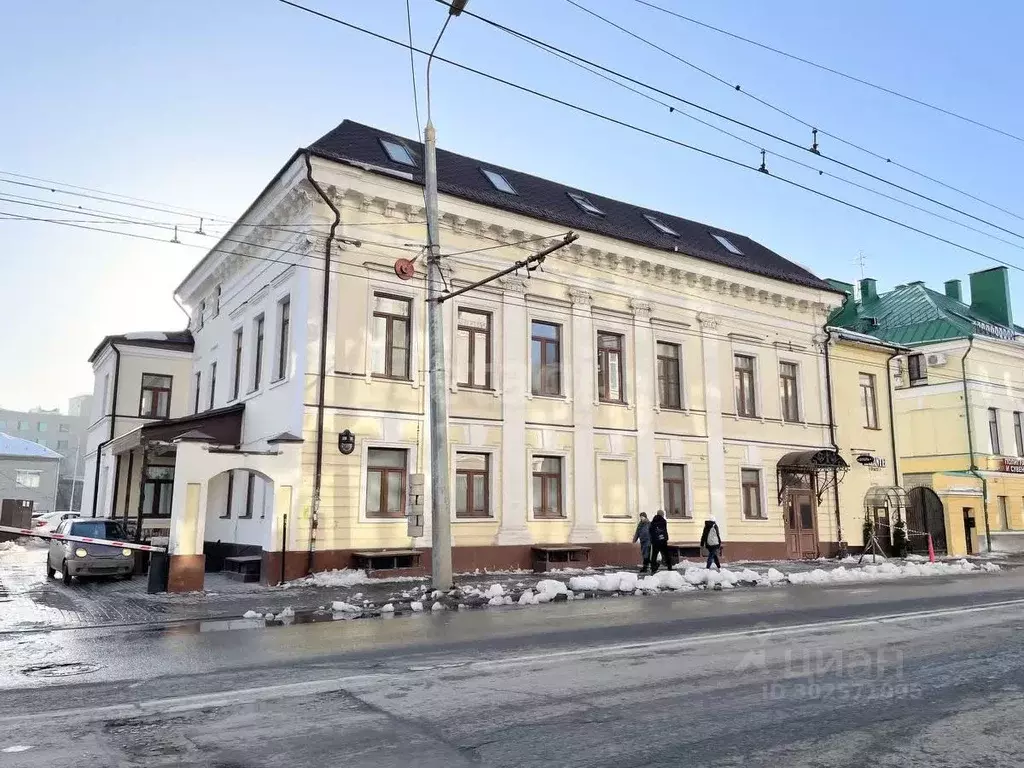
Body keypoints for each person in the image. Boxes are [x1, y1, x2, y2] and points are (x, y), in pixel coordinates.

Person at [649, 510, 671, 574]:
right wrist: (666, 538)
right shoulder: (664, 521)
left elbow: (650, 531)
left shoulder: (652, 522)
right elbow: (664, 531)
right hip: (663, 540)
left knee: (654, 555)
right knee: (666, 554)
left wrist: (653, 539)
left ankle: (653, 568)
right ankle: (669, 567)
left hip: (655, 541)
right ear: (662, 515)